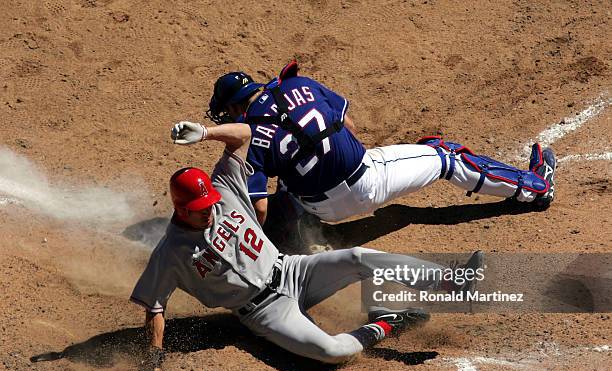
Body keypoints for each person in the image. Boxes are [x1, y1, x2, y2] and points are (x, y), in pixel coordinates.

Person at [130, 122, 483, 371]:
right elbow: (155, 308)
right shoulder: (170, 252)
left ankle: (448, 282)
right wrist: (154, 357)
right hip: (266, 312)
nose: (209, 211)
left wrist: (206, 131)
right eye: (200, 208)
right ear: (182, 209)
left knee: (358, 257)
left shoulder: (223, 188)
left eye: (209, 204)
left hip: (293, 270)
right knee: (331, 354)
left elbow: (243, 136)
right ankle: (388, 323)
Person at [178, 60, 556, 233]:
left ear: (231, 109)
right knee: (444, 153)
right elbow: (350, 125)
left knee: (280, 191)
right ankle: (535, 188)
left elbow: (258, 208)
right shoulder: (300, 85)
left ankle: (296, 235)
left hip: (320, 211)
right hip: (367, 180)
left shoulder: (250, 138)